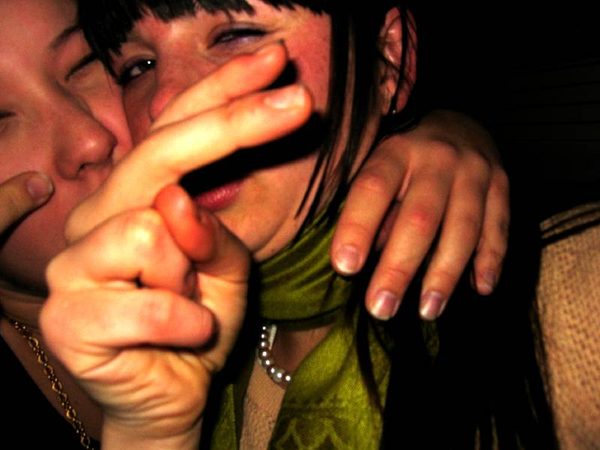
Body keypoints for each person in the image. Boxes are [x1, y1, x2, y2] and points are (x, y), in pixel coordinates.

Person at [41, 0, 554, 448]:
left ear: (388, 60)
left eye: (236, 34)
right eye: (139, 66)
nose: (164, 102)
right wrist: (150, 435)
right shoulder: (179, 331)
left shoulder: (561, 312)